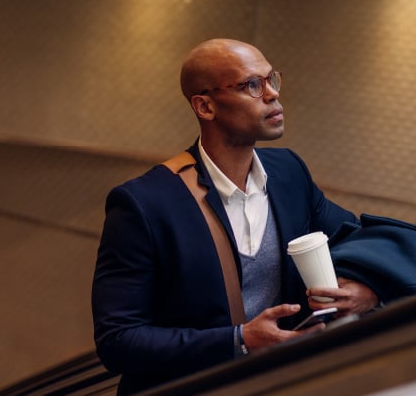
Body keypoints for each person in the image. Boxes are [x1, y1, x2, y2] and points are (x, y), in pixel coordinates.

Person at [91, 38, 380, 395]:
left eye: (271, 79)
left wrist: (368, 291)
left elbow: (356, 237)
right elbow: (118, 341)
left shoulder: (289, 172)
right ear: (205, 106)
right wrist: (239, 339)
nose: (272, 94)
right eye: (252, 86)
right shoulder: (144, 203)